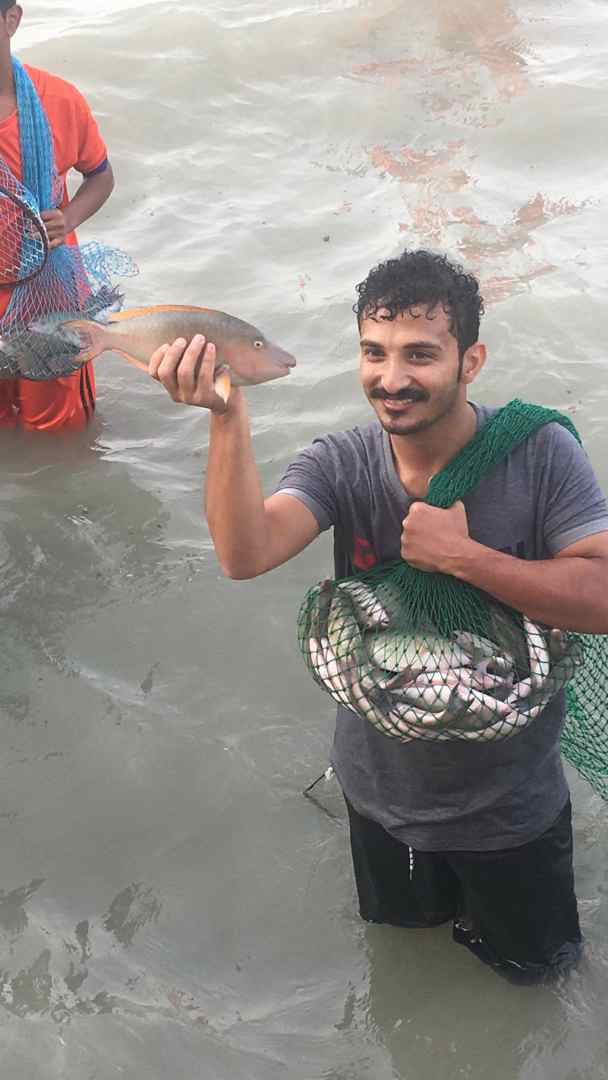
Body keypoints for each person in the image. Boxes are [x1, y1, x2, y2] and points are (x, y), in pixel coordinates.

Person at [148, 249, 608, 984]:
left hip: (511, 811)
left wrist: (468, 559)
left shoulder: (540, 454)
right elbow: (245, 553)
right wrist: (227, 417)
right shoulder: (341, 462)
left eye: (420, 354)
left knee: (535, 977)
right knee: (406, 964)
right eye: (374, 352)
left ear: (472, 359)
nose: (391, 380)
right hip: (380, 799)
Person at [0, 1, 114, 432]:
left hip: (49, 298)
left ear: (12, 20)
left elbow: (101, 178)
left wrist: (68, 218)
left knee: (62, 434)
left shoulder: (59, 101)